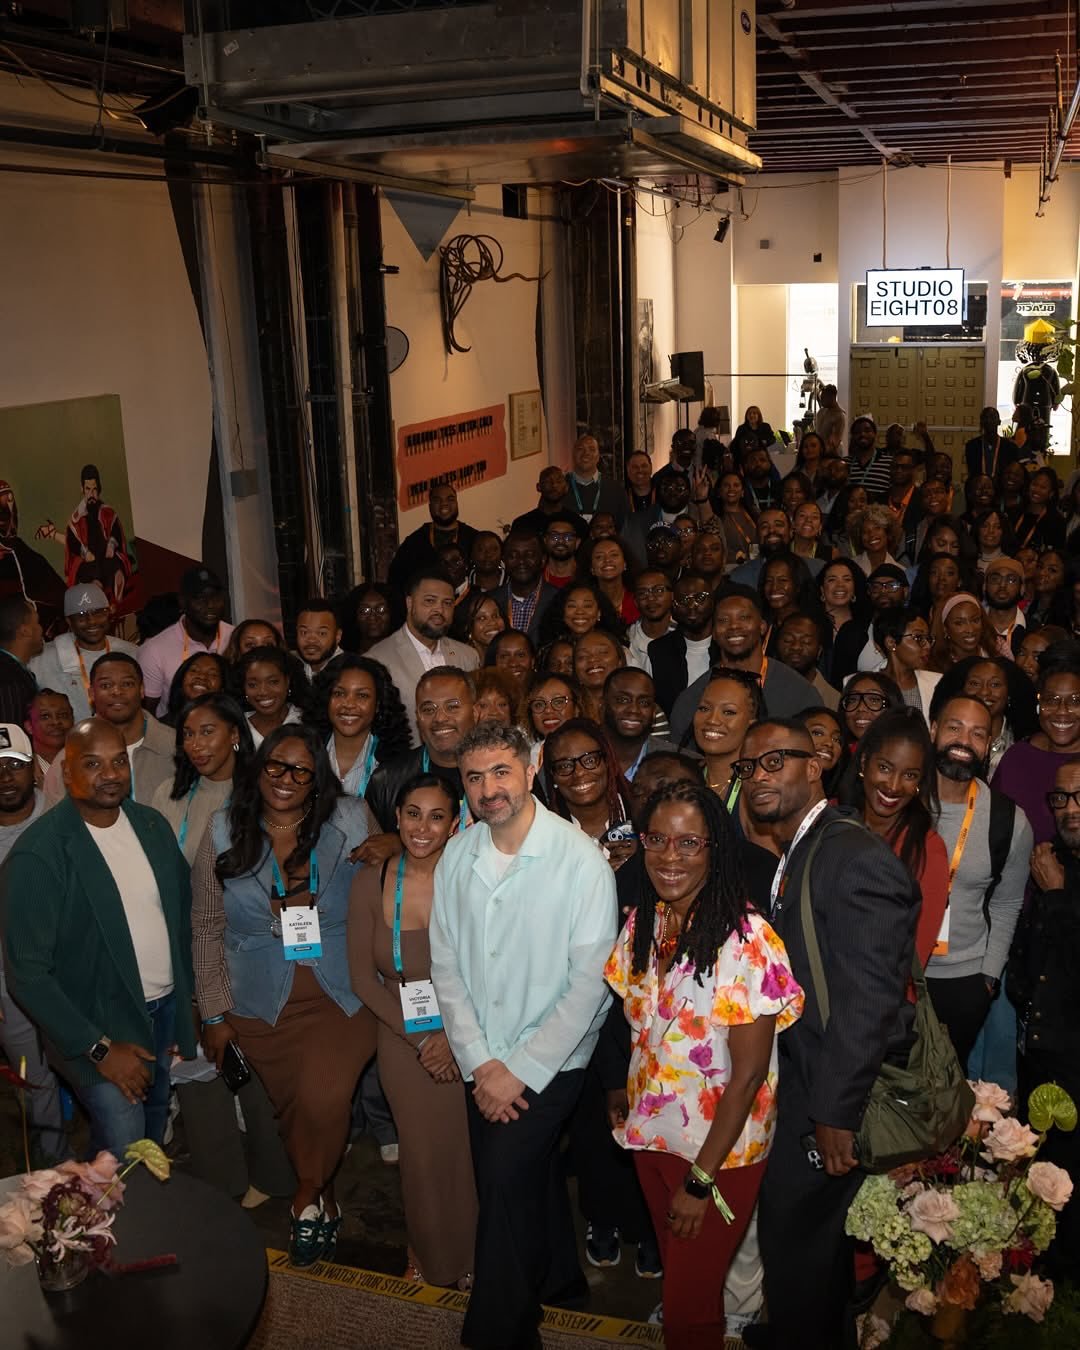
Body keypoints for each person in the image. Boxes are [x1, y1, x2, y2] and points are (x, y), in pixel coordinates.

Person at [429, 721, 617, 1350]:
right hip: (483, 1056)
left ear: (531, 769)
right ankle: (561, 1279)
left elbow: (590, 985)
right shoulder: (457, 855)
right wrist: (481, 1062)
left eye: (501, 772)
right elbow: (446, 965)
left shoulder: (581, 862)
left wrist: (518, 1071)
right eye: (474, 778)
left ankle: (499, 1331)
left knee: (503, 1184)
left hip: (553, 1060)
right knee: (522, 1175)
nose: (488, 790)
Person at [738, 719, 919, 1350]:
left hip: (831, 1092)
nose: (758, 776)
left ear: (815, 765)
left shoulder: (852, 856)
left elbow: (871, 1000)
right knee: (812, 1246)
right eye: (749, 767)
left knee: (796, 1239)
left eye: (775, 761)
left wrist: (836, 1111)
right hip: (806, 1080)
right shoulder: (806, 846)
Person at [606, 780, 803, 1349]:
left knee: (687, 1311)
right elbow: (642, 1028)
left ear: (716, 848)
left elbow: (747, 1078)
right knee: (683, 1286)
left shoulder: (748, 942)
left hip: (717, 1156)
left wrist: (700, 1181)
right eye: (658, 840)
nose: (670, 856)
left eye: (689, 842)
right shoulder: (646, 922)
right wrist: (620, 1094)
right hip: (651, 1135)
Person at [191, 725, 378, 1267]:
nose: (286, 779)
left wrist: (393, 847)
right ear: (258, 767)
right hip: (258, 1002)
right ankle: (324, 1198)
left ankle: (303, 1197)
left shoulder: (351, 818)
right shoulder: (222, 829)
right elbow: (205, 926)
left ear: (317, 780)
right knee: (295, 1111)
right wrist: (214, 1014)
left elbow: (395, 882)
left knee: (323, 1098)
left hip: (342, 996)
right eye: (276, 765)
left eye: (301, 771)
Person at [3, 719, 196, 1155]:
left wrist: (191, 1003)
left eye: (118, 762)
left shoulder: (151, 826)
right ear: (66, 773)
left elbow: (181, 918)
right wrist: (100, 1049)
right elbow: (27, 975)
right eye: (92, 764)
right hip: (96, 1025)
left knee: (152, 1130)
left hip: (163, 1011)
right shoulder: (39, 853)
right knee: (124, 1145)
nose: (110, 774)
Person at [348, 773, 477, 1288]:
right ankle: (426, 1254)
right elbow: (362, 979)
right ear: (397, 818)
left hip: (470, 1031)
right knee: (421, 1155)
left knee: (465, 1153)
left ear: (455, 823)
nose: (423, 828)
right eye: (413, 814)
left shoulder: (472, 878)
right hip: (404, 1035)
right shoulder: (371, 881)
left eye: (437, 816)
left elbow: (492, 972)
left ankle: (472, 1256)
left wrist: (455, 1039)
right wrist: (425, 1040)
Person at [924, 694, 1030, 1065]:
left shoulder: (1009, 820)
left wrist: (988, 978)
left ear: (989, 745)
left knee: (946, 1087)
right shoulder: (898, 799)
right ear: (933, 730)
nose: (964, 742)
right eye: (954, 728)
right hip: (892, 971)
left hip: (963, 981)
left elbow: (1007, 903)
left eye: (977, 734)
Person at [1007, 757, 1080, 1276]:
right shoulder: (1052, 860)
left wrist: (1055, 896)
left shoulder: (1054, 876)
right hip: (1040, 1051)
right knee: (1043, 1184)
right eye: (1061, 799)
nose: (1070, 809)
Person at [0, 724, 68, 1165]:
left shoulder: (64, 820)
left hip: (71, 975)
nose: (5, 776)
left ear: (35, 770)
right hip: (8, 983)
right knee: (35, 1080)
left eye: (15, 764)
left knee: (91, 1074)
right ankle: (56, 1175)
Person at [842, 708, 949, 966]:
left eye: (909, 775)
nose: (893, 786)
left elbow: (915, 955)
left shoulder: (928, 850)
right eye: (885, 768)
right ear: (864, 762)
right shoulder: (831, 822)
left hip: (880, 987)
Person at [669, 586, 817, 745]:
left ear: (762, 626)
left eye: (744, 617)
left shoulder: (800, 693)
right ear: (714, 633)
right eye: (723, 620)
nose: (734, 626)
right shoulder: (693, 699)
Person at [366, 570, 480, 746]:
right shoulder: (377, 659)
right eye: (430, 601)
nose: (439, 610)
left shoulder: (468, 656)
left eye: (447, 603)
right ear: (409, 603)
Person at [43, 652, 174, 806]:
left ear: (141, 690)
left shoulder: (175, 746)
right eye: (106, 685)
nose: (117, 692)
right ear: (91, 694)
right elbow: (54, 815)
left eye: (127, 684)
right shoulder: (70, 755)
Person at [364, 667, 475, 836]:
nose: (440, 718)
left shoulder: (501, 777)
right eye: (429, 709)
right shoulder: (386, 781)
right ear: (417, 717)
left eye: (452, 707)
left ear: (475, 712)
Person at [151, 692, 252, 865]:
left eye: (207, 732)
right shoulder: (168, 792)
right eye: (188, 734)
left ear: (234, 734)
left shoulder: (258, 795)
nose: (195, 745)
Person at [992, 650, 1080, 843]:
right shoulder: (1017, 758)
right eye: (1051, 700)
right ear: (1039, 705)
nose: (1062, 711)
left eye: (1075, 701)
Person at [308, 653, 411, 799]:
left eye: (362, 696)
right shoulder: (304, 751)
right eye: (339, 693)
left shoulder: (397, 766)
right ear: (326, 699)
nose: (349, 704)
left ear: (378, 704)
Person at [30, 582, 138, 721]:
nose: (91, 621)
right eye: (81, 615)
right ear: (69, 621)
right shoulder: (42, 658)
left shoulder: (131, 652)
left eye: (98, 612)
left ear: (108, 613)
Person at [138, 566, 233, 717]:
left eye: (216, 598)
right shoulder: (153, 650)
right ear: (182, 602)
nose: (210, 605)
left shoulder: (236, 637)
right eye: (200, 599)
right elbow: (147, 715)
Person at [934, 654, 1038, 776]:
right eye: (974, 683)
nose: (984, 692)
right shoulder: (944, 738)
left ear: (1009, 692)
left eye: (994, 684)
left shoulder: (1026, 744)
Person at [541, 718, 632, 848]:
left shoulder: (640, 814)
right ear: (553, 776)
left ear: (607, 762)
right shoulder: (544, 835)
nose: (579, 773)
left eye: (590, 760)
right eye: (565, 766)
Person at [691, 668, 763, 813]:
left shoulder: (760, 785)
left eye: (728, 712)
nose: (712, 720)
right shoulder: (683, 777)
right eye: (704, 708)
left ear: (751, 724)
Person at [647, 573, 716, 718]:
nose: (692, 606)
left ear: (713, 601)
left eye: (700, 598)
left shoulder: (726, 647)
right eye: (684, 600)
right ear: (673, 607)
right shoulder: (658, 651)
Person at [388, 483, 478, 592]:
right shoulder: (414, 543)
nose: (444, 504)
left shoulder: (474, 539)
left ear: (457, 503)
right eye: (437, 500)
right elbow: (395, 583)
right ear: (430, 506)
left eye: (450, 499)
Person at [489, 529, 559, 643]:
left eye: (529, 555)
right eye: (513, 556)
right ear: (504, 560)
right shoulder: (490, 600)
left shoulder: (559, 599)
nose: (521, 561)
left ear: (543, 560)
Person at [235, 645, 306, 751]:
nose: (263, 691)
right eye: (253, 685)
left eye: (273, 682)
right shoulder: (238, 726)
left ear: (287, 682)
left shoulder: (306, 720)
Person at [601, 668, 668, 781]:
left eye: (644, 702)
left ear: (654, 712)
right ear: (603, 706)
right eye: (623, 700)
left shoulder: (681, 764)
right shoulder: (581, 757)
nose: (634, 710)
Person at [873, 607, 940, 718]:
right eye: (918, 638)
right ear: (891, 643)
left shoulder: (938, 683)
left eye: (928, 638)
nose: (928, 646)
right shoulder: (860, 684)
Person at [559, 433, 627, 528]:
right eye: (580, 449)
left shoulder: (615, 489)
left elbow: (624, 527)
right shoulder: (558, 487)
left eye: (591, 449)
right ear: (573, 455)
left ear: (598, 456)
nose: (586, 453)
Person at [775, 614, 839, 711]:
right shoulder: (762, 687)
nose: (796, 647)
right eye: (788, 640)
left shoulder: (833, 701)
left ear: (819, 651)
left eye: (806, 641)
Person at [0, 593, 43, 726]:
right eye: (37, 622)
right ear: (25, 631)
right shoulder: (8, 678)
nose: (41, 629)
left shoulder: (14, 671)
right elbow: (9, 732)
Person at [511, 467, 585, 542]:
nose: (554, 485)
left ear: (566, 487)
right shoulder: (522, 523)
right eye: (548, 481)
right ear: (538, 487)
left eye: (559, 481)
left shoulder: (577, 523)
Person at [626, 570, 675, 673]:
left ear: (672, 595)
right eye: (642, 593)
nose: (651, 598)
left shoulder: (685, 633)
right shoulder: (627, 637)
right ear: (635, 601)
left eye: (658, 590)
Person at [162, 651, 228, 727]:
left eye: (212, 674)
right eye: (194, 670)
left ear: (222, 687)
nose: (202, 676)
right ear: (181, 678)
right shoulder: (160, 727)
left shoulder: (229, 726)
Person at [24, 687, 73, 787]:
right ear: (29, 726)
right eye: (45, 716)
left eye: (63, 715)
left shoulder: (88, 763)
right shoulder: (23, 773)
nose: (56, 722)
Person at [573, 629, 627, 718]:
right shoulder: (568, 711)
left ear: (619, 661)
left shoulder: (636, 706)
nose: (592, 659)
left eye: (603, 652)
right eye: (582, 656)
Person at [339, 583, 403, 657]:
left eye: (381, 609)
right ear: (354, 615)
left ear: (392, 613)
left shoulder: (404, 654)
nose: (372, 617)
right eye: (365, 610)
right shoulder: (344, 658)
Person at [589, 536, 639, 627]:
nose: (607, 560)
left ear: (625, 564)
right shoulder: (587, 604)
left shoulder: (638, 599)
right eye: (599, 557)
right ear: (592, 569)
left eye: (614, 555)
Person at [964, 406, 1021, 483]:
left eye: (992, 417)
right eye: (986, 418)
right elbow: (972, 473)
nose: (989, 420)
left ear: (999, 422)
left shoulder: (1010, 447)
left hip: (1002, 487)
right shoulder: (972, 446)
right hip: (978, 486)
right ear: (981, 422)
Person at [982, 557, 1026, 657]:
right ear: (984, 586)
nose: (1002, 585)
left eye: (1011, 580)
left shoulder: (1033, 630)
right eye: (995, 579)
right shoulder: (973, 627)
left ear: (1022, 588)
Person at [714, 471, 759, 570]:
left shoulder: (754, 514)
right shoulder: (715, 519)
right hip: (729, 570)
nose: (731, 489)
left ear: (742, 492)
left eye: (736, 485)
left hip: (756, 566)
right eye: (726, 485)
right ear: (719, 491)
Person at [294, 598, 343, 681]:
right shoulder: (292, 668)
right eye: (304, 632)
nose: (311, 640)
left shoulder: (350, 672)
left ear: (337, 636)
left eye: (321, 633)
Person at [844, 416, 892, 500]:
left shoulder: (889, 462)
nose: (862, 434)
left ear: (875, 434)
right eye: (857, 432)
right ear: (853, 436)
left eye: (867, 430)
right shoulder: (845, 463)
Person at [452, 590, 506, 664]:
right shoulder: (459, 660)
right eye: (482, 618)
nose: (493, 622)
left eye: (495, 615)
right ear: (468, 627)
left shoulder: (513, 657)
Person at [814, 385, 845, 452]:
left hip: (831, 453)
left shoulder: (839, 416)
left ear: (832, 397)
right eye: (821, 397)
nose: (821, 400)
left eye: (823, 398)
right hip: (819, 451)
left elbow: (835, 442)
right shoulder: (821, 412)